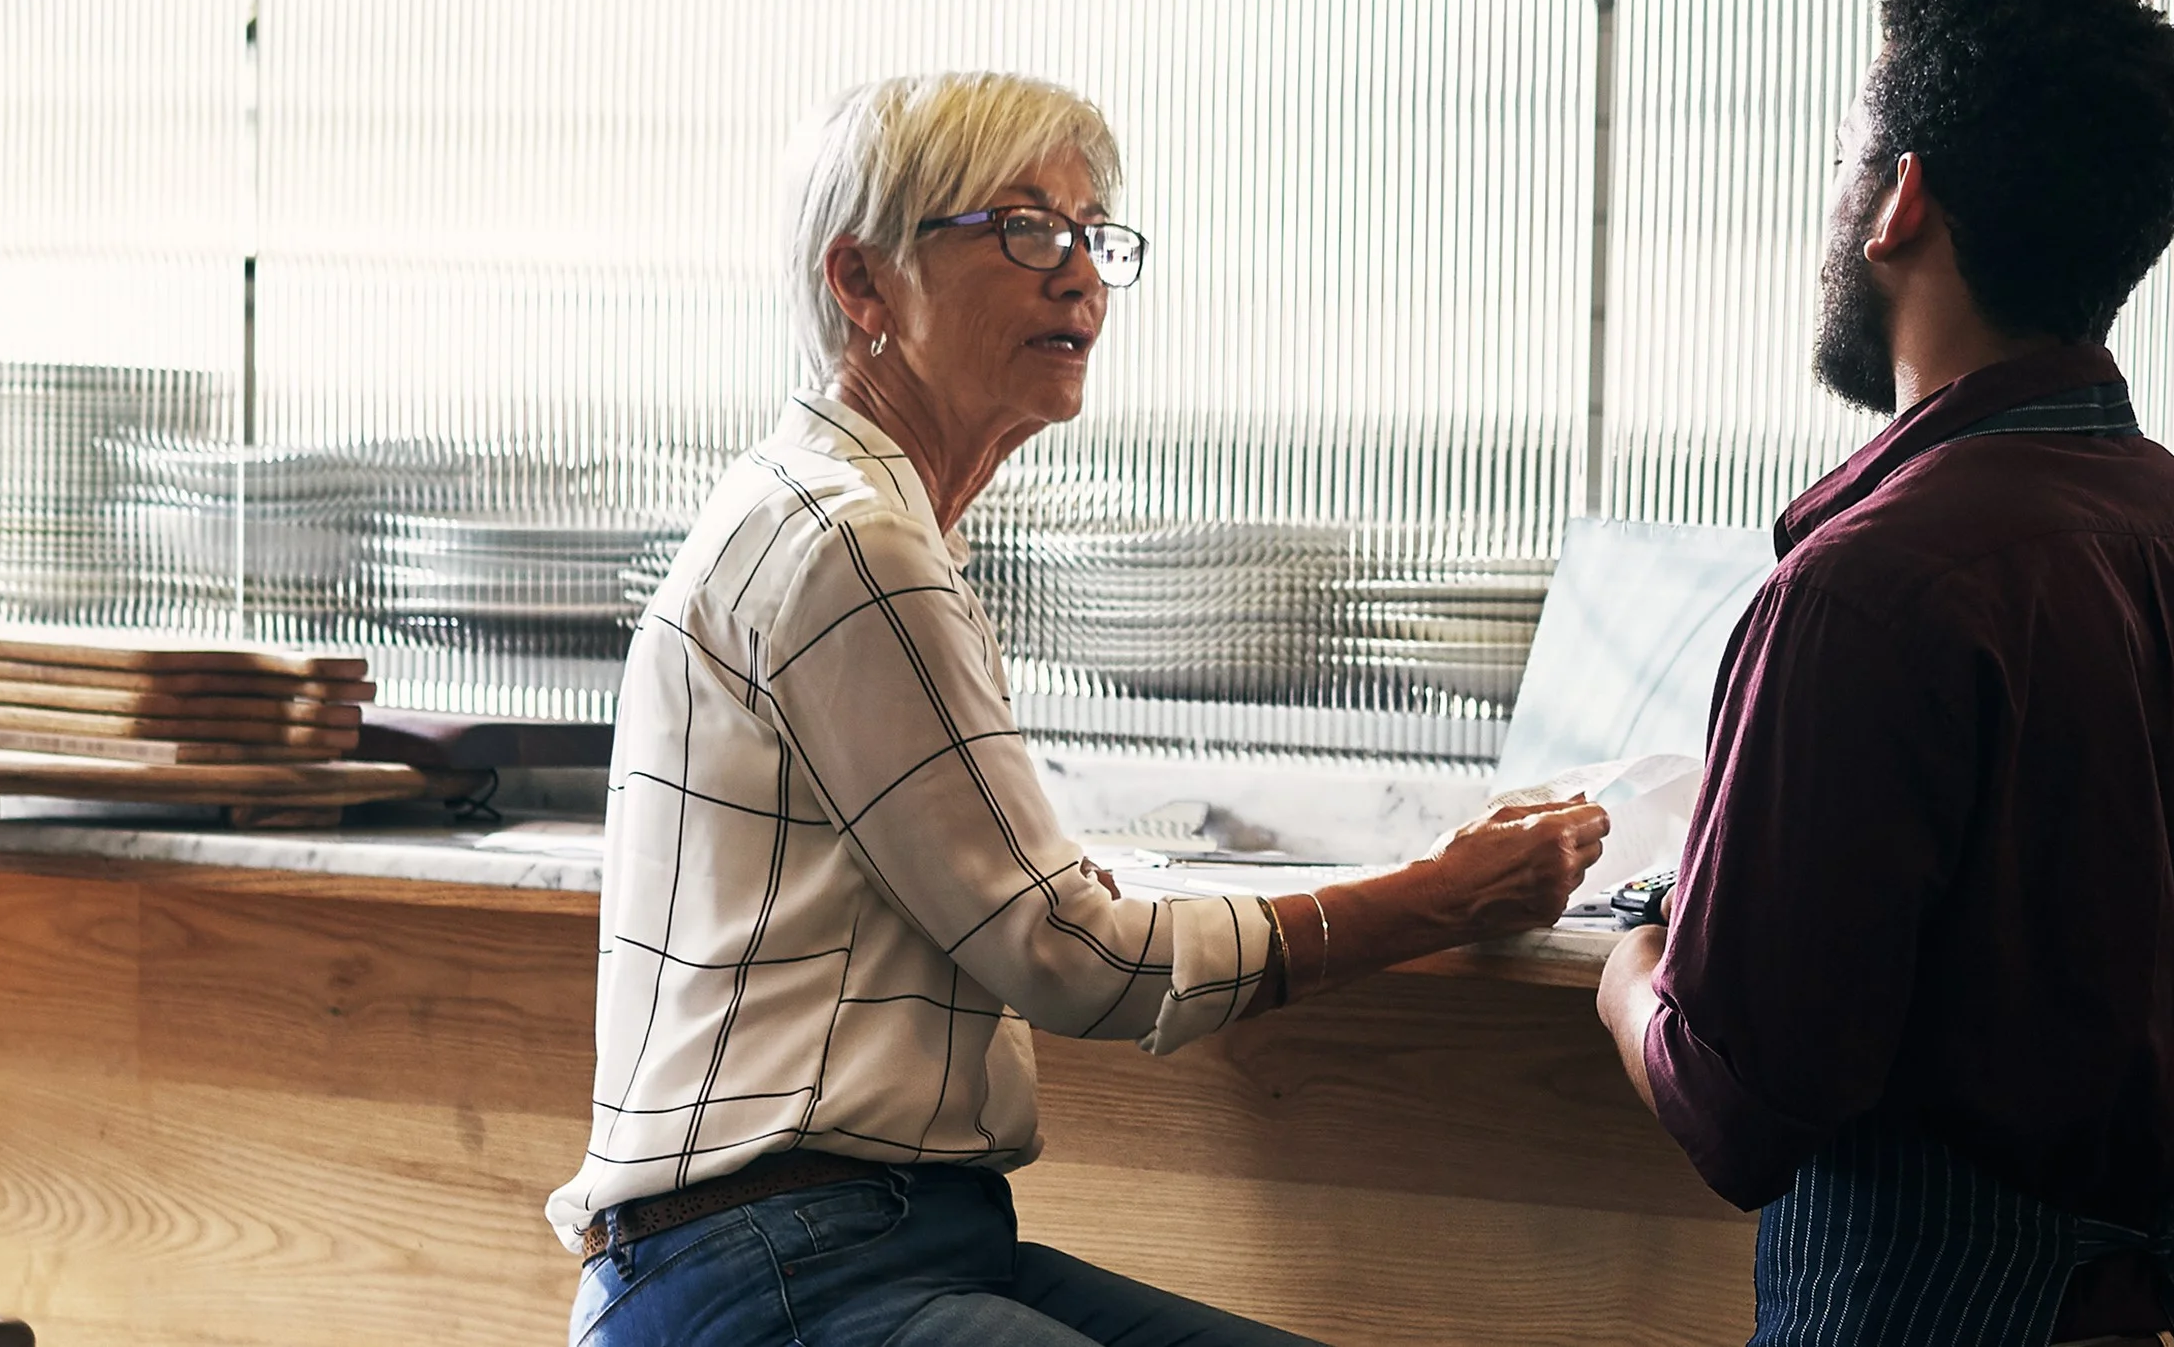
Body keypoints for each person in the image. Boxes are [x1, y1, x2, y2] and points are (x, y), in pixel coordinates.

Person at [558, 67, 1609, 1347]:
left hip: (874, 1242)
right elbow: (1073, 952)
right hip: (773, 1272)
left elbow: (1012, 894)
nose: (1078, 275)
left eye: (1092, 233)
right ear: (862, 283)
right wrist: (1436, 892)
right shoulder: (851, 542)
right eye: (1020, 227)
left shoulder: (847, 513)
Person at [1594, 0, 2174, 1347]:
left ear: (1898, 198)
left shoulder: (1864, 589)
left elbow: (1739, 1109)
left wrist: (1632, 979)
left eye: (1847, 159)